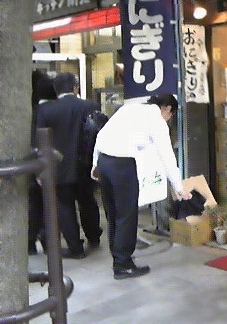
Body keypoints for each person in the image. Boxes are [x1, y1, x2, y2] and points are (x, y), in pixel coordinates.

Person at [91, 94, 191, 280]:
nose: (168, 120)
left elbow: (101, 135)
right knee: (126, 215)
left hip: (105, 162)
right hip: (122, 164)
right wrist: (179, 187)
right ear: (168, 109)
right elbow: (167, 155)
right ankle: (123, 265)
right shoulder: (156, 119)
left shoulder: (129, 108)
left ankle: (118, 257)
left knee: (113, 213)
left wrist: (95, 166)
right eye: (171, 116)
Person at [36, 72, 102, 259]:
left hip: (59, 167)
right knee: (88, 201)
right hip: (86, 165)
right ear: (75, 88)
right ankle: (94, 237)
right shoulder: (90, 106)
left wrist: (40, 172)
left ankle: (75, 248)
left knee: (65, 207)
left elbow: (40, 142)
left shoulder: (46, 110)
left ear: (56, 90)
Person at [28, 70, 58, 255]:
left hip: (31, 163)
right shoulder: (48, 110)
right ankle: (47, 241)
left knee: (33, 205)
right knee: (49, 205)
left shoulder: (29, 111)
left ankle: (30, 242)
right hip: (46, 164)